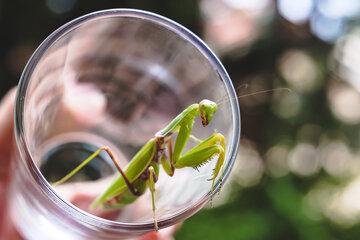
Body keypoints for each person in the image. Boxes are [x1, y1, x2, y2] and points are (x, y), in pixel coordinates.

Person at [0, 88, 178, 240]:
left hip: (109, 210)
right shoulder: (160, 141)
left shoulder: (166, 142)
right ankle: (61, 183)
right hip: (32, 216)